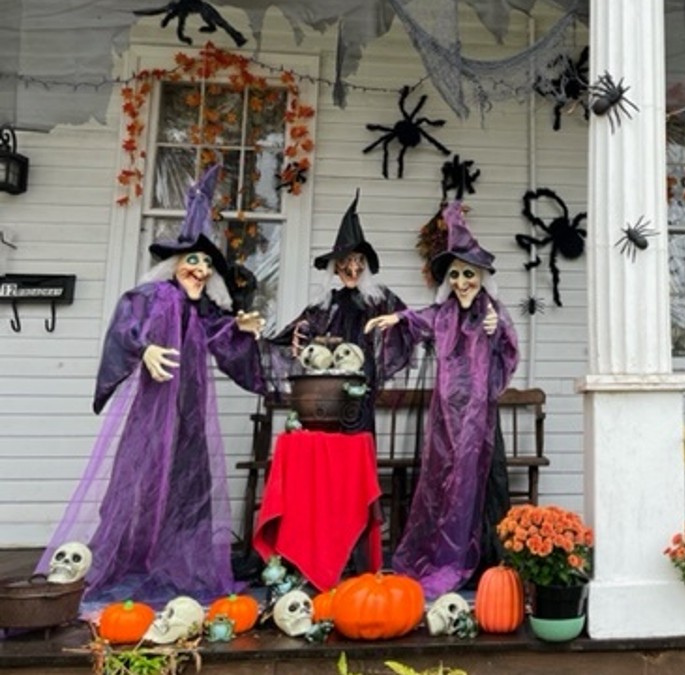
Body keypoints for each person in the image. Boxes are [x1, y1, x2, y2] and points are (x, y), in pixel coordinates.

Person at [38, 165, 265, 604]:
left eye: (205, 263)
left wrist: (245, 328)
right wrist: (144, 350)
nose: (199, 269)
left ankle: (181, 562)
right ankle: (129, 557)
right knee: (141, 479)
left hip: (192, 412)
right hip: (154, 409)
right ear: (174, 264)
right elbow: (124, 329)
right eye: (192, 260)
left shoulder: (206, 313)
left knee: (190, 484)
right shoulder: (149, 297)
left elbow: (226, 340)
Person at [365, 201, 519, 597]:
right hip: (445, 420)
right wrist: (396, 319)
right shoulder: (446, 314)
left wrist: (497, 329)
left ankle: (483, 560)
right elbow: (421, 320)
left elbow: (507, 349)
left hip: (480, 421)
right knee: (442, 482)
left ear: (481, 278)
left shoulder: (492, 312)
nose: (462, 282)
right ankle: (442, 554)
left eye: (469, 274)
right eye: (455, 275)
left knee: (478, 483)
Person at [268, 190, 408, 432]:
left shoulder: (381, 300)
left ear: (365, 265)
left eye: (357, 261)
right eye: (345, 261)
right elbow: (296, 331)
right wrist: (298, 333)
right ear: (335, 269)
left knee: (359, 433)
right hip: (329, 386)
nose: (352, 268)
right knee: (331, 434)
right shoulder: (326, 304)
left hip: (362, 383)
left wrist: (397, 319)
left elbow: (411, 322)